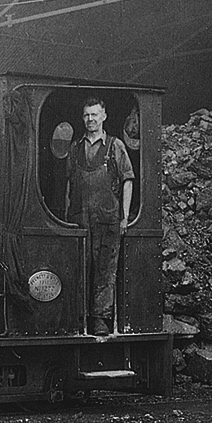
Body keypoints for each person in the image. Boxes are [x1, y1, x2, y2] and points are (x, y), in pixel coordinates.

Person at [65, 97, 134, 335]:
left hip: (108, 220)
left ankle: (101, 320)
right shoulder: (74, 148)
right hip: (80, 220)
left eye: (94, 114)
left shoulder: (115, 146)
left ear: (104, 116)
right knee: (80, 269)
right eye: (86, 115)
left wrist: (124, 217)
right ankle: (79, 318)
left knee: (105, 271)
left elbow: (127, 181)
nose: (90, 119)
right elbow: (69, 185)